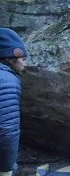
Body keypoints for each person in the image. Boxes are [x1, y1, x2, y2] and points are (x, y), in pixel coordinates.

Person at [0, 28, 28, 176]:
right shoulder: (7, 79)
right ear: (10, 58)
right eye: (23, 59)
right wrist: (6, 168)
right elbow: (6, 130)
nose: (25, 65)